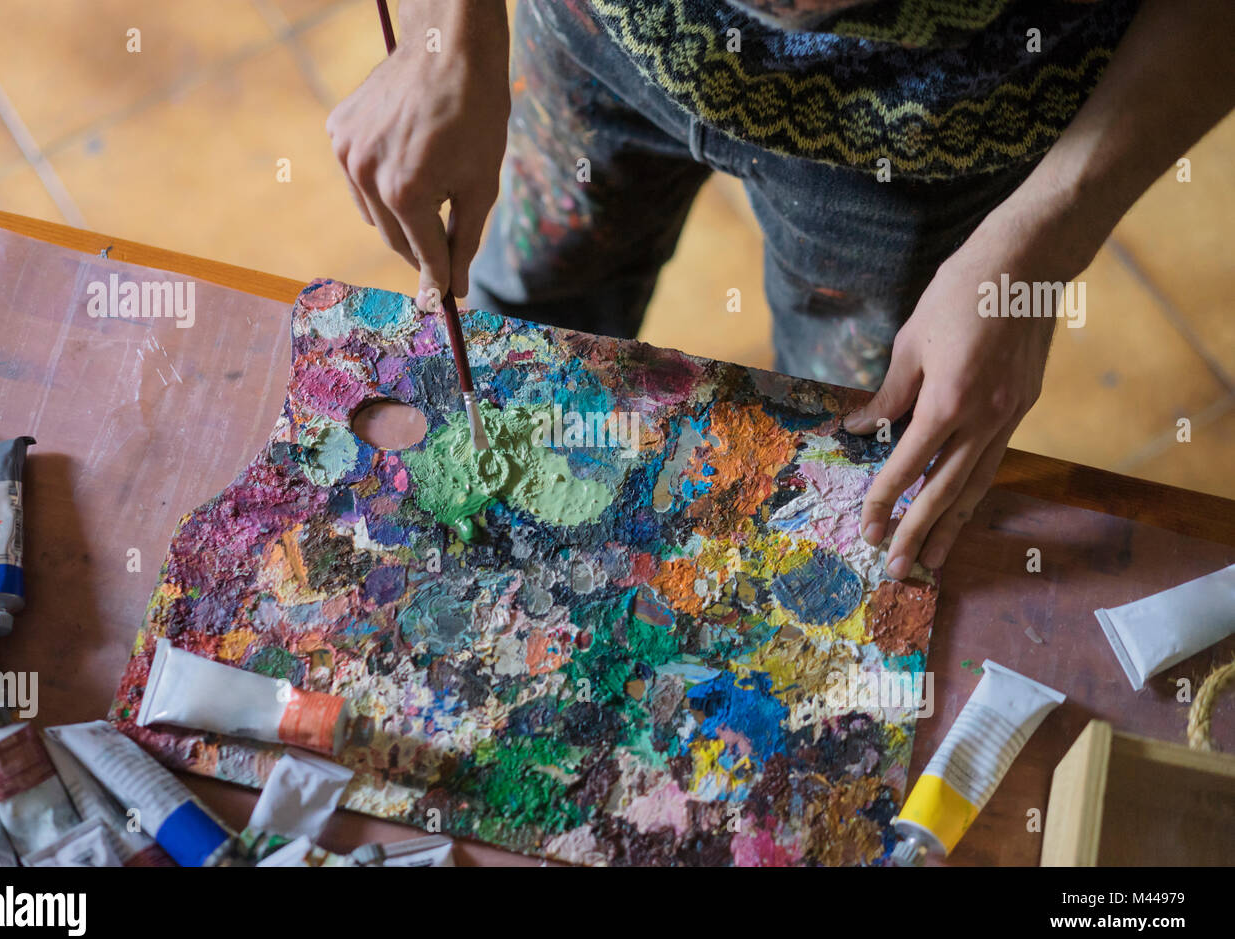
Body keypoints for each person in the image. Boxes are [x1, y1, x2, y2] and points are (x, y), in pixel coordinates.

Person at [326, 0, 1234, 577]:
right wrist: (450, 24)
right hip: (597, 34)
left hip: (918, 143)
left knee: (845, 451)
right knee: (525, 316)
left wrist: (1041, 244)